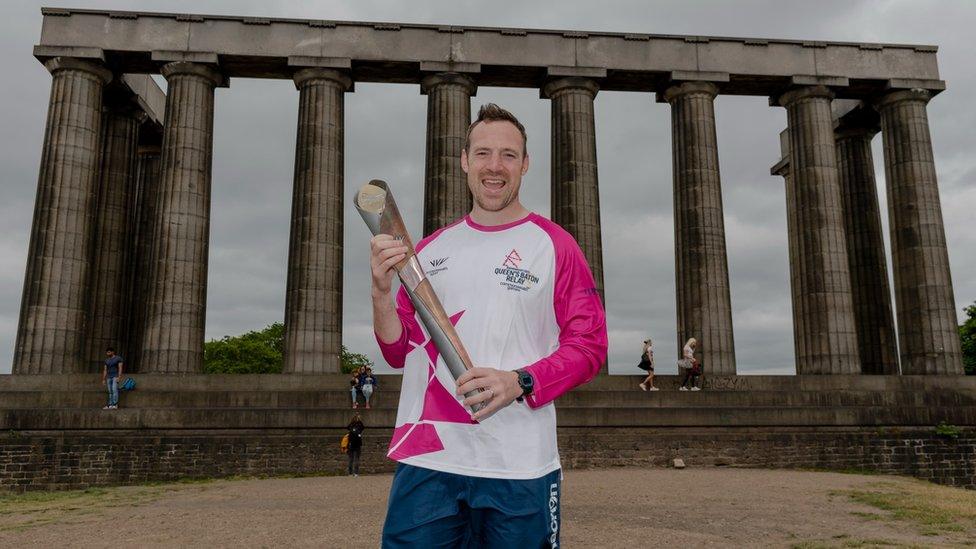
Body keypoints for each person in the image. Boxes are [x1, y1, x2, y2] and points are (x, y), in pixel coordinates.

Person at [370, 103, 608, 547]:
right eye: (482, 153)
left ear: (525, 164)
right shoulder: (430, 248)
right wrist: (381, 294)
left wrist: (520, 381)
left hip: (516, 465)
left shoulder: (555, 245)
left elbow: (590, 345)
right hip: (430, 460)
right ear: (464, 160)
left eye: (508, 155)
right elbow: (398, 350)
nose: (494, 166)